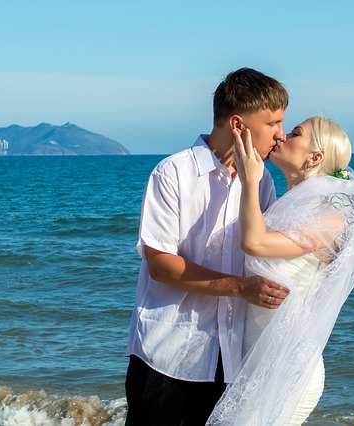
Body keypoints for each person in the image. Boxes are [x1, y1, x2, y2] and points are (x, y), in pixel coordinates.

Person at [125, 68, 292, 425]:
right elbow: (161, 265)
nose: (281, 134)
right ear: (238, 125)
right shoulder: (173, 173)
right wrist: (240, 287)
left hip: (230, 357)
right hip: (168, 353)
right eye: (273, 123)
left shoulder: (262, 183)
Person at [207, 117, 354, 425]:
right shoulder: (287, 205)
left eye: (295, 134)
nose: (282, 136)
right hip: (256, 358)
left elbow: (255, 243)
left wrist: (250, 180)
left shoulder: (332, 215)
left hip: (289, 365)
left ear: (314, 158)